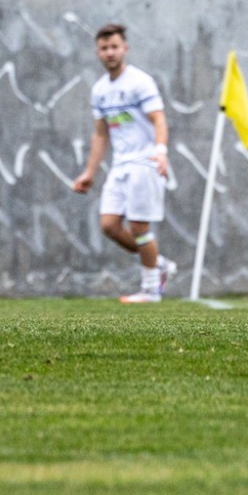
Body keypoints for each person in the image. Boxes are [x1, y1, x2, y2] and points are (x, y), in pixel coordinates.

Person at [72, 24, 177, 304]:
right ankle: (159, 264)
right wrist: (89, 173)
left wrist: (160, 150)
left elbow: (158, 119)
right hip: (120, 166)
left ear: (125, 49)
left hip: (144, 162)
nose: (110, 53)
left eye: (114, 47)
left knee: (140, 227)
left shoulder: (139, 82)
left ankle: (150, 290)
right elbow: (100, 133)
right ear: (97, 53)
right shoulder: (100, 90)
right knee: (109, 225)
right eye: (104, 48)